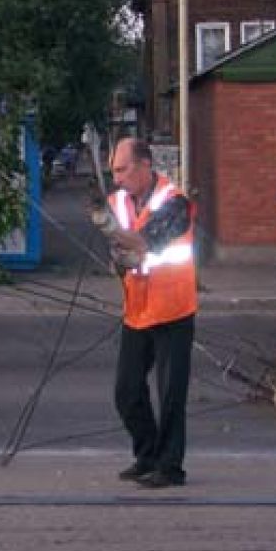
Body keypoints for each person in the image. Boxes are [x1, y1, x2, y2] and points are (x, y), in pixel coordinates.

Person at [103, 138, 197, 489]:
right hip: (138, 311)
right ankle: (147, 455)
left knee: (171, 394)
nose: (118, 179)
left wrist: (109, 230)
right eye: (114, 171)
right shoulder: (118, 202)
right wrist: (116, 259)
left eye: (123, 170)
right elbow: (119, 255)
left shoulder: (175, 203)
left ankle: (171, 467)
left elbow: (145, 241)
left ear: (144, 165)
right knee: (126, 391)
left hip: (173, 309)